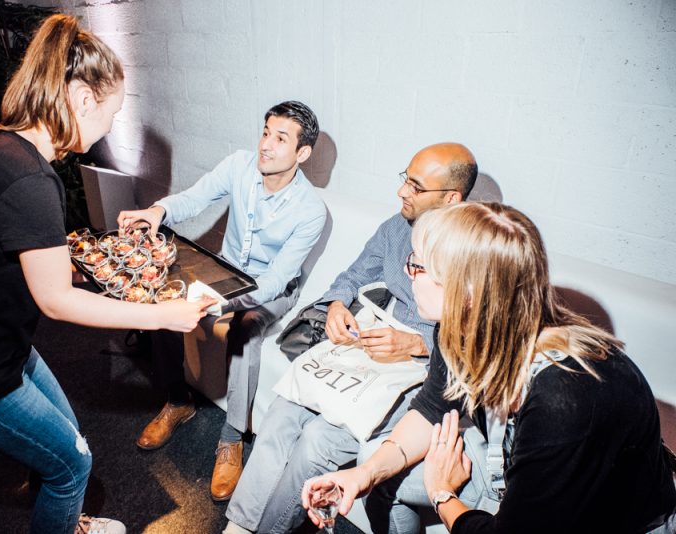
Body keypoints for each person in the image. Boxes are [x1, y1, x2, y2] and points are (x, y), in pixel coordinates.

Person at [0, 14, 213, 534]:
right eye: (111, 113)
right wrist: (164, 315)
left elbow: (3, 258)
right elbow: (55, 300)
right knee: (71, 464)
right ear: (82, 99)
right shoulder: (30, 180)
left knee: (67, 432)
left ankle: (66, 519)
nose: (110, 127)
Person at [302, 202, 676, 534]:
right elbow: (433, 407)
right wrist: (362, 475)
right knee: (375, 466)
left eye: (417, 265)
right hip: (508, 467)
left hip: (602, 518)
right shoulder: (459, 328)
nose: (406, 271)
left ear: (466, 291)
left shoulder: (565, 396)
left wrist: (442, 493)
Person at [223, 143, 478, 533]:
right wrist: (337, 305)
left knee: (316, 440)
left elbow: (468, 344)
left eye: (415, 186)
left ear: (451, 198)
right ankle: (239, 526)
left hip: (423, 373)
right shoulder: (397, 227)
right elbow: (354, 275)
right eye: (405, 179)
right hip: (372, 353)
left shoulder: (471, 252)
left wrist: (417, 344)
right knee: (282, 411)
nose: (402, 191)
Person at [116, 101, 327, 501]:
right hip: (224, 271)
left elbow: (275, 280)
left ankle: (231, 438)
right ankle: (178, 401)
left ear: (302, 153)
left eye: (280, 139)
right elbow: (194, 199)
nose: (265, 145)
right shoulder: (238, 165)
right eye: (265, 132)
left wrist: (220, 303)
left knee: (246, 329)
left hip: (271, 290)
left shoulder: (311, 210)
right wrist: (158, 211)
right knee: (163, 303)